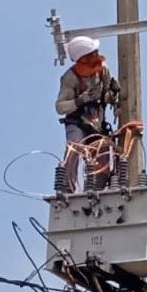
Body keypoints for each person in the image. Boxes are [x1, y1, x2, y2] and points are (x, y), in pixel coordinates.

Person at [55, 36, 120, 192]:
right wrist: (80, 100)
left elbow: (107, 94)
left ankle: (95, 191)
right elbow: (60, 107)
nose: (97, 55)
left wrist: (112, 96)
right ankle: (67, 188)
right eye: (93, 53)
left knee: (102, 158)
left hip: (97, 124)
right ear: (83, 58)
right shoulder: (71, 78)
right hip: (77, 122)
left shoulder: (102, 70)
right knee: (74, 149)